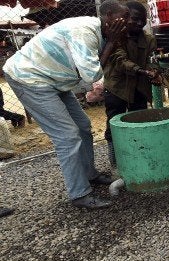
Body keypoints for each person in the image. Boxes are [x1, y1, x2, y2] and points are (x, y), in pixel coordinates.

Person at [2, 0, 128, 209]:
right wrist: (113, 42)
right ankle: (79, 194)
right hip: (30, 79)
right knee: (67, 136)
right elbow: (91, 75)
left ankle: (89, 174)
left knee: (83, 126)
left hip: (54, 80)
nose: (124, 24)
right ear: (106, 19)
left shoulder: (100, 32)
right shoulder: (86, 32)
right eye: (120, 19)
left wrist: (113, 40)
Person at [103, 0, 160, 168]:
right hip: (117, 88)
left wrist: (154, 70)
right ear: (125, 18)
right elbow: (119, 61)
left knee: (139, 122)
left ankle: (138, 157)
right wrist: (142, 71)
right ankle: (116, 161)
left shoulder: (148, 39)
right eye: (135, 19)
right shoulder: (114, 37)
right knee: (114, 124)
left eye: (143, 19)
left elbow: (153, 60)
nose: (139, 23)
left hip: (139, 88)